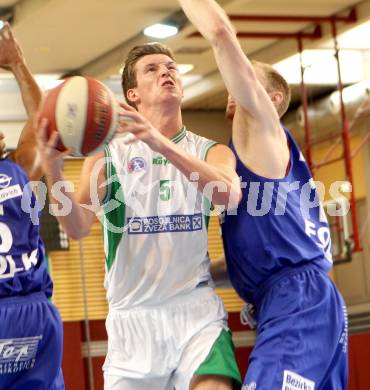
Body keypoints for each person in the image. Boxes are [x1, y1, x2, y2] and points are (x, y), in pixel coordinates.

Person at [35, 42, 243, 389]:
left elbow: (230, 193)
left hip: (196, 313)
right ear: (132, 94)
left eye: (171, 67)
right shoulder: (107, 156)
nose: (166, 72)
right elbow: (77, 227)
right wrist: (53, 169)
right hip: (133, 321)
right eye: (152, 69)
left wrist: (159, 143)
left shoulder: (210, 151)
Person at [178, 0, 348, 389]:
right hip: (300, 299)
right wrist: (193, 272)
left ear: (270, 100)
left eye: (247, 80)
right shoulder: (263, 160)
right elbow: (262, 252)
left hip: (297, 302)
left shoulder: (260, 125)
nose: (233, 85)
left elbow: (221, 34)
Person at [0, 22, 64, 389]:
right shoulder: (19, 168)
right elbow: (42, 124)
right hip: (33, 312)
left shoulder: (17, 167)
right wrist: (16, 63)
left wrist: (18, 62)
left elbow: (44, 125)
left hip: (33, 308)